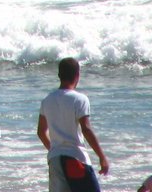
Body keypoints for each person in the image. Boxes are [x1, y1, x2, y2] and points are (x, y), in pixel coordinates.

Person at [37, 57, 109, 192]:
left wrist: (54, 149)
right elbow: (86, 129)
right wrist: (102, 157)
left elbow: (41, 132)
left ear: (59, 75)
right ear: (77, 75)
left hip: (55, 160)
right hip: (75, 159)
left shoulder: (47, 100)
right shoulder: (80, 99)